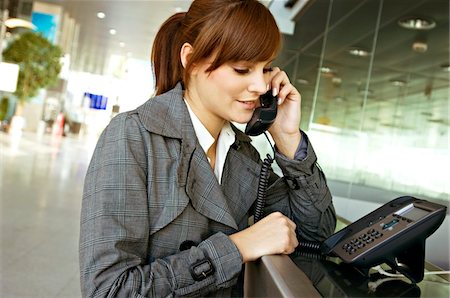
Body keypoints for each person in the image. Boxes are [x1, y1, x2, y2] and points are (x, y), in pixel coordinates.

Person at [79, 0, 336, 297]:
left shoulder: (243, 154)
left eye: (265, 68)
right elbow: (108, 290)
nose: (261, 86)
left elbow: (316, 234)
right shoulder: (134, 136)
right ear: (191, 59)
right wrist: (237, 248)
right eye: (242, 69)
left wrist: (287, 137)